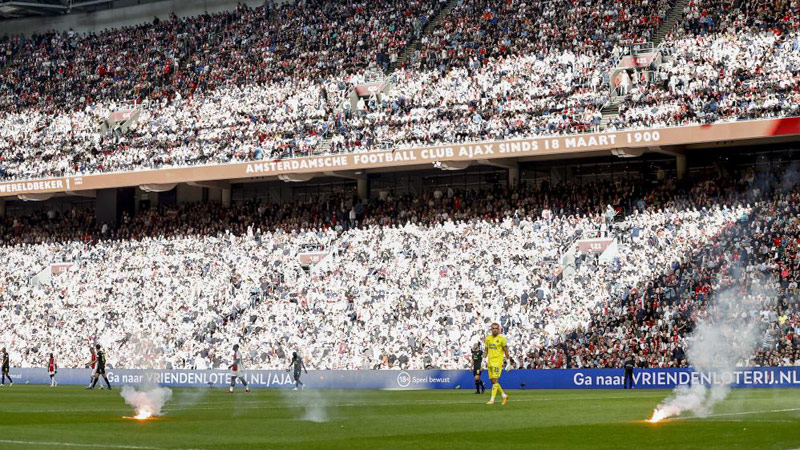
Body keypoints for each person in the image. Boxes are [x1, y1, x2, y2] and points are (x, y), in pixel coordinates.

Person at [484, 323, 510, 405]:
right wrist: (483, 360)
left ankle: (492, 400)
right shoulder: (488, 338)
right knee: (493, 381)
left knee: (495, 380)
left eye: (496, 328)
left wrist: (508, 361)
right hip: (490, 362)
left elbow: (506, 350)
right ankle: (504, 395)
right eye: (493, 328)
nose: (495, 330)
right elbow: (486, 350)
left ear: (498, 329)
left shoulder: (502, 339)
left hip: (497, 362)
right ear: (491, 329)